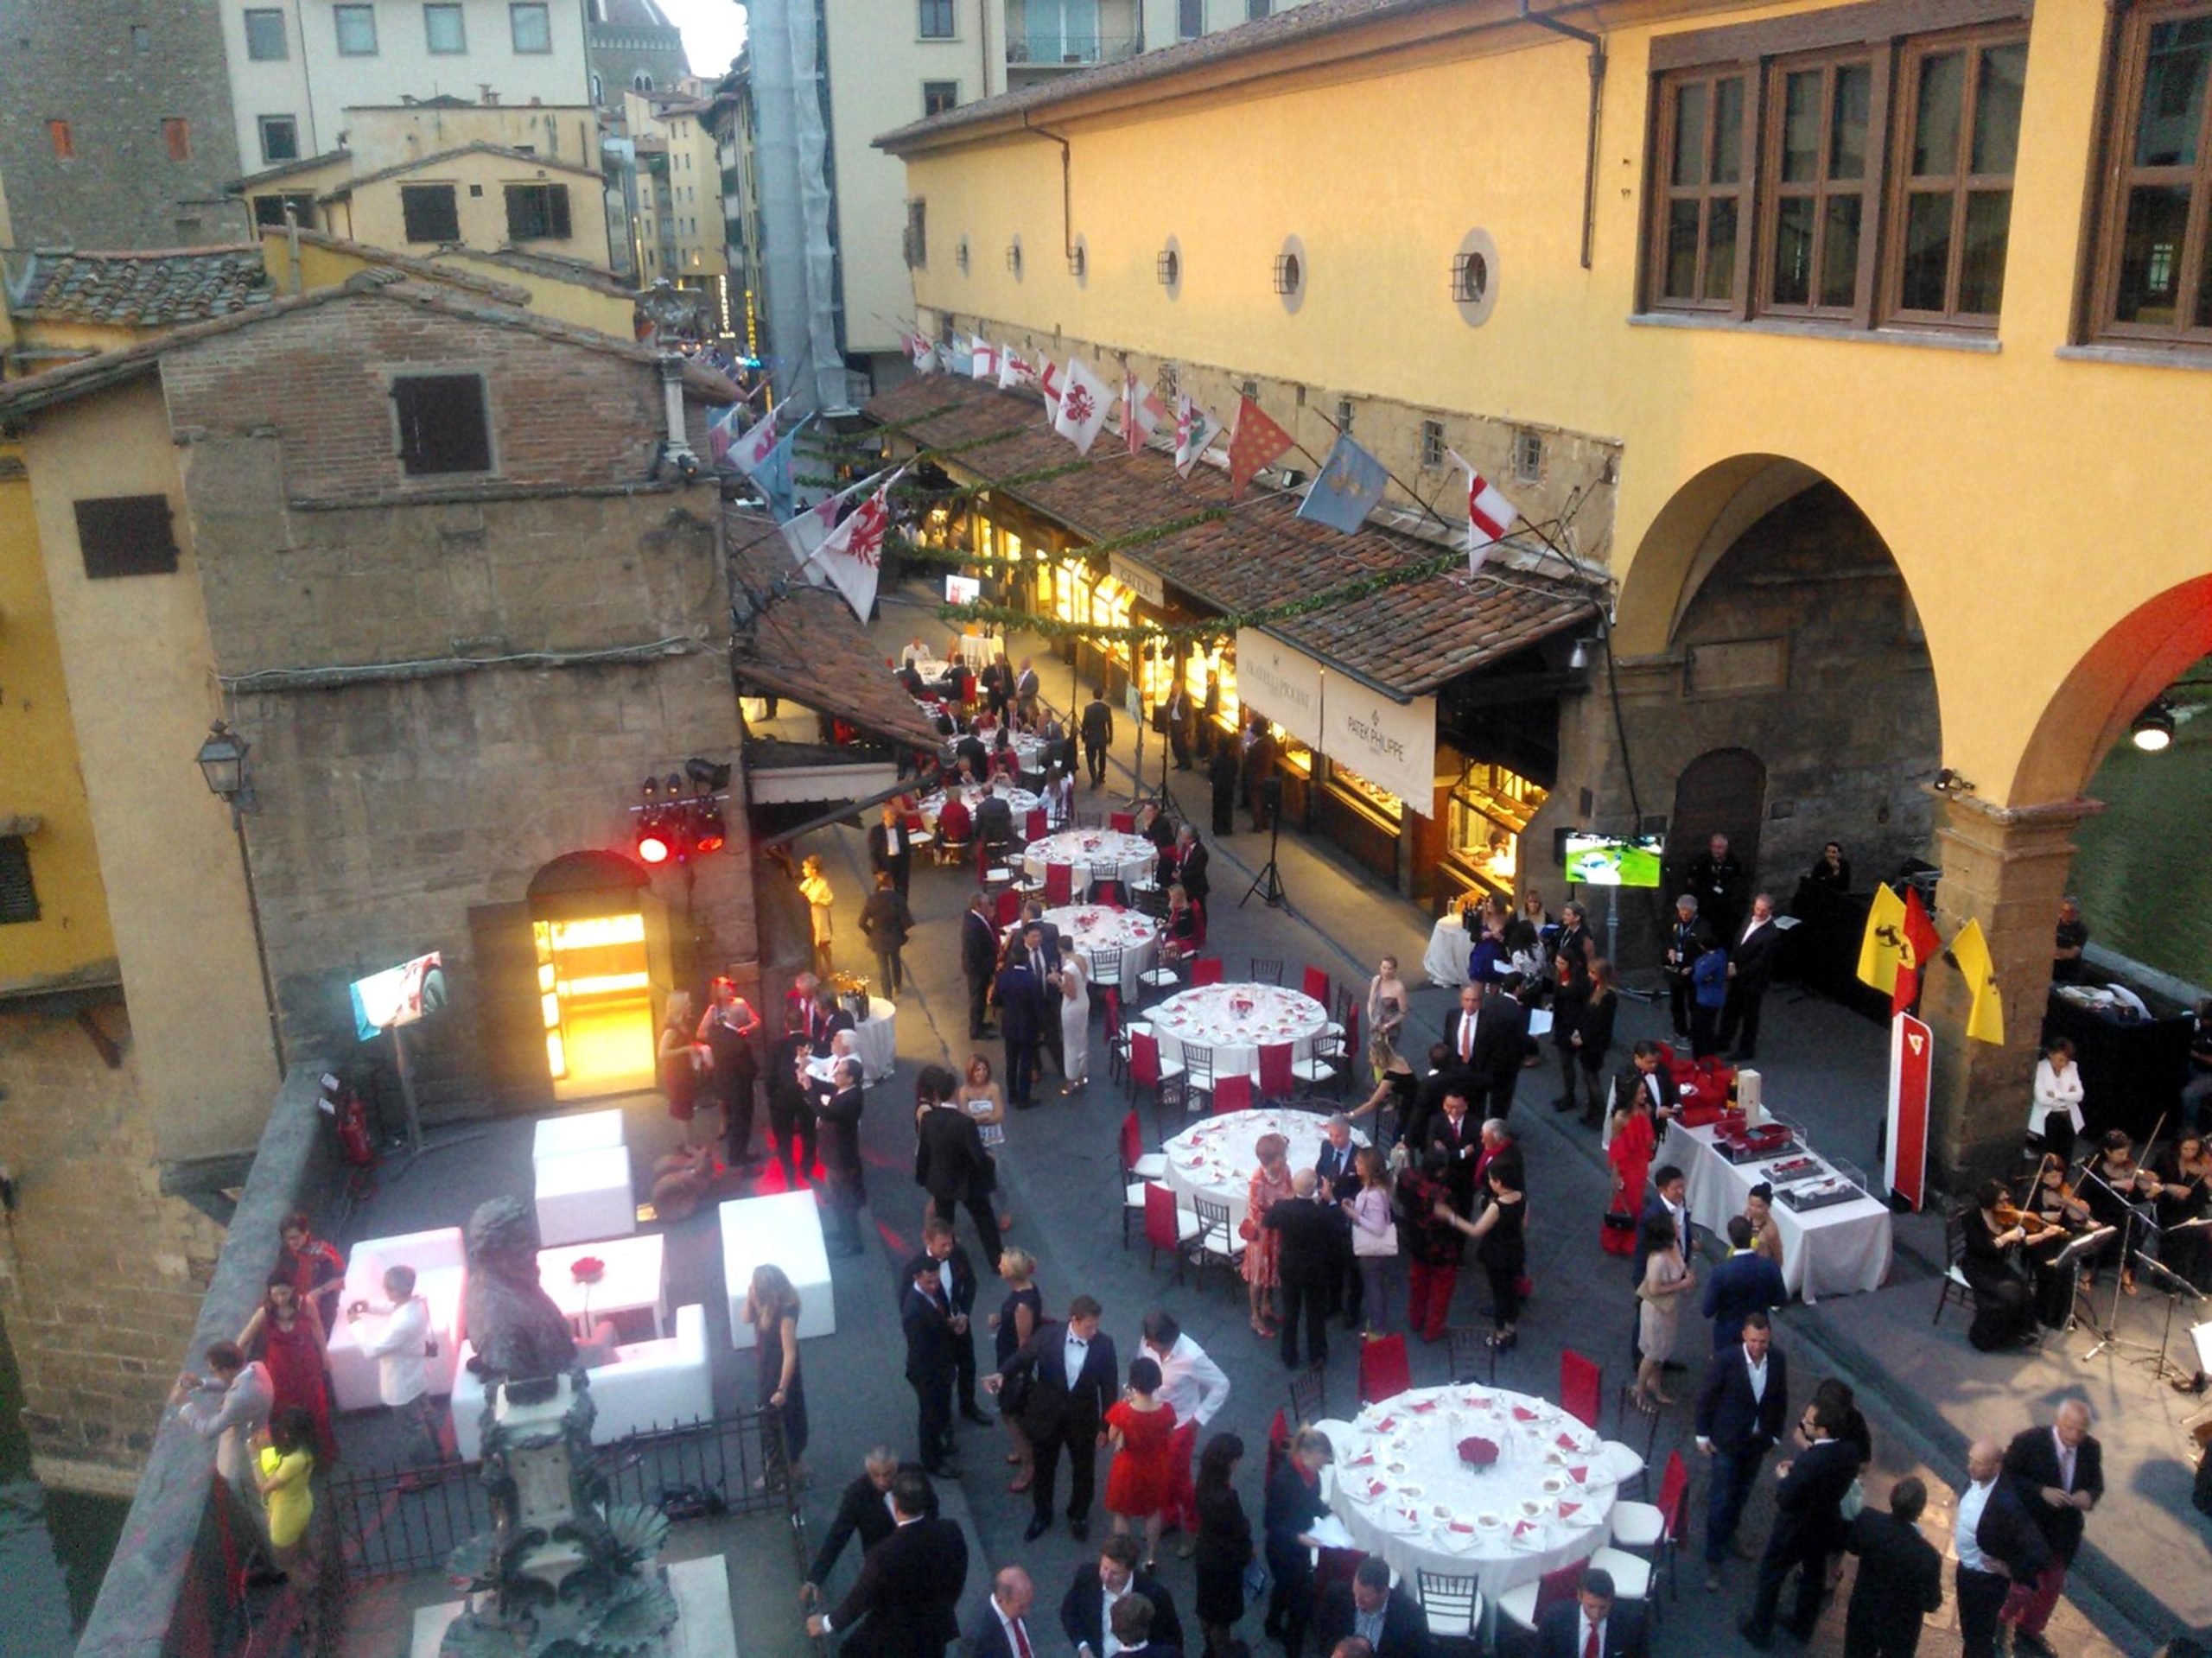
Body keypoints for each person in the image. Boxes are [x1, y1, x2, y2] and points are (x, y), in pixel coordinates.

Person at [990, 1294, 1119, 1542]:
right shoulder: (1049, 1335)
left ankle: (1078, 1514)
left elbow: (1109, 1387)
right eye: (1089, 1326)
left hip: (1082, 1419)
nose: (1094, 1331)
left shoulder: (1105, 1345)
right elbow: (1023, 1356)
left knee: (1083, 1469)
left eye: (1096, 1326)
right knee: (1044, 1467)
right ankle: (1042, 1513)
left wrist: (1105, 1425)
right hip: (1047, 1413)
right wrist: (1002, 1374)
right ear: (1074, 1319)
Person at [1738, 1394, 1863, 1649]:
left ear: (1822, 1430)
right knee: (1814, 1575)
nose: (1803, 1423)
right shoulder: (1850, 1452)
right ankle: (1802, 1625)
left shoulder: (1811, 1461)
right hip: (1824, 1523)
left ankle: (1761, 1630)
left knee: (1772, 1573)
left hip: (1795, 1528)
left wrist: (1785, 1476)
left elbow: (1786, 1498)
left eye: (1807, 1421)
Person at [806, 1469, 969, 1658]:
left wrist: (826, 1623)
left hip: (895, 1633)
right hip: (935, 1627)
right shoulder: (950, 1530)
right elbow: (958, 1575)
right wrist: (944, 1605)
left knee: (850, 1652)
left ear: (896, 1506)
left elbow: (861, 1598)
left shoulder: (883, 1554)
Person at [2000, 1401, 2102, 1658]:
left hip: (2061, 1534)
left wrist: (2087, 1497)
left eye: (2081, 1431)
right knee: (2020, 1587)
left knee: (2052, 1585)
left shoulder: (2090, 1449)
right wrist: (2040, 1492)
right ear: (2058, 1423)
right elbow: (2007, 1477)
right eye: (2070, 1428)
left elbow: (2095, 1484)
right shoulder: (2029, 1442)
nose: (2074, 1436)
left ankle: (2029, 1630)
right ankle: (2000, 1623)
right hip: (2029, 1529)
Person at [1696, 1312, 1790, 1590]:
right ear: (1743, 1337)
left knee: (1742, 1493)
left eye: (1762, 1341)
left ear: (1769, 1337)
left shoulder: (1778, 1360)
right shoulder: (1727, 1360)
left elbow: (1780, 1398)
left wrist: (1774, 1435)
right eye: (1753, 1341)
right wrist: (1702, 1434)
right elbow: (1706, 1397)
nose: (1758, 1347)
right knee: (1721, 1499)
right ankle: (1714, 1558)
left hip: (1756, 1443)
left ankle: (1732, 1532)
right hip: (1727, 1442)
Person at [1139, 1308, 1230, 1553]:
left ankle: (1193, 1526)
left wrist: (1197, 1419)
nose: (1147, 1344)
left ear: (1167, 1340)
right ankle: (1168, 1517)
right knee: (1161, 1475)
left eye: (1152, 1342)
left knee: (1179, 1481)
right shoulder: (1148, 1343)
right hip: (1154, 1419)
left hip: (1179, 1426)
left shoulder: (1192, 1357)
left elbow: (1221, 1385)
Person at [1953, 1438, 2051, 1658]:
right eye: (1970, 1460)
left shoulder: (2008, 1504)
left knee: (1979, 1639)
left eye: (1978, 1463)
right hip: (1966, 1571)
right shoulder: (1971, 1481)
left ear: (1996, 1467)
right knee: (1970, 1633)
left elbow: (2039, 1552)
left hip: (1986, 1581)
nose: (1970, 1466)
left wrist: (2011, 1570)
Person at [346, 1264, 444, 1468]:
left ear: (396, 1290)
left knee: (412, 1430)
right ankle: (439, 1454)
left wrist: (355, 1323)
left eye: (387, 1288)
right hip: (415, 1375)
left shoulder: (403, 1322)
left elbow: (371, 1350)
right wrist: (370, 1307)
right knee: (425, 1417)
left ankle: (427, 1472)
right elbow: (397, 1307)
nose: (385, 1291)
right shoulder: (417, 1304)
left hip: (401, 1384)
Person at [238, 1273, 335, 1467]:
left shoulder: (306, 1304)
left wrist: (325, 1355)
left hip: (307, 1366)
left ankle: (321, 1454)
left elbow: (317, 1329)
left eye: (284, 1293)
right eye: (275, 1295)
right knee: (281, 1411)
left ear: (292, 1290)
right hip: (280, 1371)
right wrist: (235, 1366)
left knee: (316, 1407)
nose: (280, 1299)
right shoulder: (265, 1312)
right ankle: (290, 1455)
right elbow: (244, 1339)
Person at [1843, 1477, 1944, 1658]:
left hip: (1864, 1610)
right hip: (1901, 1627)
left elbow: (1852, 1546)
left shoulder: (1868, 1520)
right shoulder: (1927, 1556)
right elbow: (1931, 1602)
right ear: (1920, 1509)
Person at [917, 1067, 1004, 1269]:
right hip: (968, 1182)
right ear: (954, 1093)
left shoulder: (929, 1119)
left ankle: (942, 1261)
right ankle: (996, 1261)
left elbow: (925, 1151)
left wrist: (924, 1177)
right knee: (984, 1220)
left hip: (942, 1180)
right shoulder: (964, 1123)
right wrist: (990, 1163)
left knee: (945, 1222)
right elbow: (977, 1156)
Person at [1265, 1169, 1352, 1372]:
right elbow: (1341, 1228)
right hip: (1316, 1269)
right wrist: (1331, 1200)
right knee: (1315, 1313)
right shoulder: (1322, 1213)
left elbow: (1267, 1221)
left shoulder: (1283, 1208)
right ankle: (1317, 1355)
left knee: (1291, 1311)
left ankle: (1289, 1354)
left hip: (1290, 1266)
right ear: (1316, 1189)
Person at [168, 1339, 274, 1506]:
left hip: (243, 1459)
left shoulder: (238, 1398)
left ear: (226, 1370)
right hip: (264, 1439)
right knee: (269, 1487)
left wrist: (184, 1405)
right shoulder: (256, 1368)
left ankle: (273, 1529)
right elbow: (234, 1383)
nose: (213, 1375)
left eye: (214, 1371)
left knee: (256, 1503)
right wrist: (201, 1383)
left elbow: (208, 1430)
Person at [1433, 1161, 1527, 1350]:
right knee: (1510, 1292)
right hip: (1515, 1251)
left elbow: (1475, 1230)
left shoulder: (1497, 1207)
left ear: (1499, 1182)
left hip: (1497, 1255)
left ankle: (1500, 1335)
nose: (1490, 1183)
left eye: (1492, 1179)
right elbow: (1523, 1225)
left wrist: (1451, 1217)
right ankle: (1511, 1329)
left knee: (1499, 1294)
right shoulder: (1522, 1197)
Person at [1262, 1426, 1332, 1658]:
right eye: (1321, 1461)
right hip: (1283, 1550)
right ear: (1307, 1453)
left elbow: (1313, 1504)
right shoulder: (1283, 1482)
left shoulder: (1312, 1476)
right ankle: (1293, 1650)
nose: (1323, 1467)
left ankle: (1271, 1625)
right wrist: (1299, 1537)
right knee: (1299, 1607)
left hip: (1298, 1548)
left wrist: (1328, 1513)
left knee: (1284, 1589)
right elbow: (1270, 1523)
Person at [1105, 1356, 1179, 1566]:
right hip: (1155, 1467)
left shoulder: (1123, 1410)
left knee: (1122, 1513)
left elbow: (1111, 1437)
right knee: (1153, 1512)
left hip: (1128, 1468)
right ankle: (1150, 1557)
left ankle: (1123, 1556)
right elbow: (1170, 1435)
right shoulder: (1166, 1411)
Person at [1061, 1536, 1186, 1658]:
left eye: (1115, 1573)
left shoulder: (1155, 1595)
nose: (1106, 1577)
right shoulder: (1087, 1578)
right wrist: (1083, 1647)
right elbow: (1069, 1612)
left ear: (1130, 1570)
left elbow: (1172, 1639)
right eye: (1104, 1568)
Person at [747, 1262, 808, 1489]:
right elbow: (746, 1317)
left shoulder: (786, 1312)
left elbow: (789, 1353)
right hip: (768, 1364)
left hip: (779, 1368)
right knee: (777, 1417)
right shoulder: (766, 1307)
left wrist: (782, 1387)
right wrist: (752, 1296)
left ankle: (781, 1469)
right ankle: (786, 1466)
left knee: (778, 1417)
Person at [1192, 1433, 1253, 1658]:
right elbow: (1238, 1530)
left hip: (1206, 1554)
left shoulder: (1204, 1482)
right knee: (1221, 1615)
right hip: (1223, 1563)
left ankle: (1211, 1646)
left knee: (1208, 1608)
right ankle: (1220, 1650)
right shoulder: (1227, 1497)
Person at [1957, 1178, 2036, 1350]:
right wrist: (2006, 1237)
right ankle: (1987, 1338)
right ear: (1989, 1201)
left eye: (2007, 1199)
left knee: (2024, 1289)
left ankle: (2018, 1332)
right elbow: (1984, 1248)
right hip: (1977, 1266)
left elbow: (2023, 1240)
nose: (2007, 1204)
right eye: (2002, 1200)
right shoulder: (1972, 1219)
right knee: (2007, 1296)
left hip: (1997, 1266)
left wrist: (2044, 1234)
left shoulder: (2005, 1217)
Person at [903, 1254, 963, 1477]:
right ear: (917, 1277)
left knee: (940, 1411)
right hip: (929, 1373)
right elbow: (921, 1351)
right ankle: (932, 1461)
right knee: (930, 1416)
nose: (934, 1286)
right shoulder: (914, 1311)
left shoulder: (926, 1298)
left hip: (940, 1367)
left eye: (937, 1281)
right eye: (929, 1282)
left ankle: (940, 1447)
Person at [1397, 1147, 1465, 1344]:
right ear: (1441, 1171)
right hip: (1440, 1247)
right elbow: (1451, 1222)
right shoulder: (1443, 1195)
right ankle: (1433, 1329)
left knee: (1418, 1281)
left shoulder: (1407, 1178)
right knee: (1441, 1290)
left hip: (1416, 1241)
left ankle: (1416, 1318)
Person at [992, 1248, 1046, 1494]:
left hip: (1013, 1367)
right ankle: (1024, 1452)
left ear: (1012, 1272)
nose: (999, 1266)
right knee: (1016, 1412)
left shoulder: (1022, 1305)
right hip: (1012, 1362)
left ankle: (1028, 1465)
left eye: (1003, 1264)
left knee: (1011, 1415)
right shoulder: (1027, 1290)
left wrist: (1008, 1372)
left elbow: (1023, 1343)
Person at [699, 976, 763, 1168]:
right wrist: (721, 1038)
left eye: (730, 988)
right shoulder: (714, 1011)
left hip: (740, 1057)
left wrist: (744, 1030)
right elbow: (701, 1033)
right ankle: (736, 1154)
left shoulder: (741, 1004)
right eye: (725, 989)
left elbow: (756, 1021)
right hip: (728, 1066)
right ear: (717, 992)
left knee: (742, 1111)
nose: (729, 991)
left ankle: (739, 1152)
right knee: (737, 1111)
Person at [1632, 1213, 1695, 1410]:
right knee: (1653, 1352)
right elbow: (1654, 1289)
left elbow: (1682, 1267)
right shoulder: (1658, 1259)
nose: (1678, 1225)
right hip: (1655, 1312)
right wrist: (1682, 1284)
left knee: (1663, 1348)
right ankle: (1639, 1389)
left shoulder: (1673, 1245)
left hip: (1668, 1309)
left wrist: (1686, 1277)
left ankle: (1655, 1383)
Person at [1314, 1554, 1430, 1658]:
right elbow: (1323, 1641)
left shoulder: (1410, 1615)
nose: (1357, 1602)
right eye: (1355, 1593)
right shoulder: (1337, 1597)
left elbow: (1418, 1653)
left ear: (1384, 1592)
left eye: (1365, 1597)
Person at [1703, 1217, 1787, 1353]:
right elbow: (1780, 1299)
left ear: (1731, 1238)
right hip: (1759, 1332)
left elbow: (1707, 1310)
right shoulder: (1770, 1267)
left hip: (1728, 1336)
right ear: (1752, 1235)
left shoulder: (1721, 1272)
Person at [810, 1057, 868, 1255]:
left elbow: (826, 1114)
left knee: (844, 1201)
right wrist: (809, 1081)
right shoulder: (844, 1090)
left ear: (851, 1078)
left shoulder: (850, 1100)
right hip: (834, 1155)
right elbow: (827, 1086)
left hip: (840, 1158)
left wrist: (810, 1092)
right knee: (837, 1198)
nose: (835, 1074)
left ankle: (852, 1243)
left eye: (840, 1072)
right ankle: (844, 1232)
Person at [252, 1406, 318, 1574]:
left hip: (287, 1514)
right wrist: (267, 1450)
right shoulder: (306, 1450)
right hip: (301, 1504)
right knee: (304, 1553)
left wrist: (255, 1456)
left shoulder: (294, 1460)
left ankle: (310, 1593)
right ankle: (320, 1580)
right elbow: (278, 1473)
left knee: (290, 1565)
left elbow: (265, 1487)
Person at [1243, 1134, 1295, 1338]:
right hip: (1262, 1237)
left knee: (1272, 1272)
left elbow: (1290, 1192)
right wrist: (1282, 1206)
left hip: (1277, 1233)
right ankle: (1255, 1315)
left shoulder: (1286, 1171)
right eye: (1282, 1156)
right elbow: (1257, 1215)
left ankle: (1266, 1305)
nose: (1286, 1160)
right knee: (1257, 1277)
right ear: (1270, 1161)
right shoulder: (1258, 1181)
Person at [1719, 894, 1782, 1061]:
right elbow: (1738, 941)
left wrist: (1737, 972)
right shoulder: (1749, 919)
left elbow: (1761, 962)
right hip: (1737, 974)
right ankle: (1723, 1040)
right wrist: (1731, 961)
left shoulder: (1772, 934)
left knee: (1749, 1017)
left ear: (1770, 910)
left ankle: (1746, 1049)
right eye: (1757, 908)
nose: (1759, 912)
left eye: (1764, 910)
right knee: (1730, 1010)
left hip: (1753, 982)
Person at [1344, 1148, 1398, 1335]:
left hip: (1371, 1252)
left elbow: (1378, 1227)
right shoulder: (1378, 1189)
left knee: (1373, 1290)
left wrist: (1354, 1215)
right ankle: (1378, 1326)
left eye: (1359, 1162)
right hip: (1378, 1253)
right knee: (1378, 1288)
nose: (1355, 1165)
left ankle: (1377, 1330)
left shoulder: (1373, 1194)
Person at [1535, 1566, 1647, 1658]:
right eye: (1591, 1607)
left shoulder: (1629, 1623)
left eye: (1603, 1608)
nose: (1596, 1614)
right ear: (1579, 1596)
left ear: (1612, 1601)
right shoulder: (1555, 1618)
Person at [1605, 1073, 1658, 1250]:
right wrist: (1616, 1173)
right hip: (1626, 1168)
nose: (1644, 1096)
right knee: (1623, 1203)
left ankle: (1630, 1239)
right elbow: (1615, 1147)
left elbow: (1648, 1136)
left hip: (1640, 1165)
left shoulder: (1646, 1110)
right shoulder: (1620, 1117)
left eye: (1645, 1092)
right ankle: (1617, 1238)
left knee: (1635, 1203)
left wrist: (1651, 1145)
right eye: (1641, 1093)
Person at [766, 1004, 817, 1186]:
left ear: (786, 1024)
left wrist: (772, 1096)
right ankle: (807, 1167)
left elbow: (770, 1074)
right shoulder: (812, 1043)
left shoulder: (776, 1046)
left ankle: (789, 1173)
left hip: (783, 1097)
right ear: (804, 1023)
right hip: (806, 1095)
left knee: (784, 1137)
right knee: (809, 1132)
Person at [993, 941, 1047, 1109]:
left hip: (1009, 1025)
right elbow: (1038, 1008)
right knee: (1025, 1063)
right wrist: (1041, 1029)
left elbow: (996, 1000)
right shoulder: (1032, 980)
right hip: (1028, 1028)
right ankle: (1024, 1098)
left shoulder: (1004, 976)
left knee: (1011, 1062)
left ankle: (1011, 1094)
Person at [1550, 902, 1593, 1108]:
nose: (1564, 916)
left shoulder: (1584, 939)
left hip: (1575, 1023)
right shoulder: (1563, 930)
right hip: (1563, 1023)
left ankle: (1593, 1103)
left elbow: (1585, 1007)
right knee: (1565, 1064)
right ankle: (1569, 1095)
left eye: (1568, 914)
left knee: (1586, 1068)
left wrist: (1579, 1029)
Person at [276, 1214, 346, 1337]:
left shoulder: (323, 1255)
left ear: (306, 1233)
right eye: (288, 1239)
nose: (292, 1242)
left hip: (326, 1306)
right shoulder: (287, 1256)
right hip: (298, 1306)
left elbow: (339, 1279)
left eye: (296, 1237)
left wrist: (317, 1292)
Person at [1573, 958, 1620, 1121]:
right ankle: (1593, 1111)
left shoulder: (1608, 997)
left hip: (1595, 1043)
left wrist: (1583, 1038)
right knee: (1589, 1076)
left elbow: (1600, 1024)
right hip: (1589, 1039)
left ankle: (1600, 1112)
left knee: (1590, 1076)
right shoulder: (1596, 989)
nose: (1589, 975)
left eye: (1593, 972)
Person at [1662, 894, 1714, 1041]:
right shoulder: (1675, 921)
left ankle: (1694, 1034)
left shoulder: (1703, 927)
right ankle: (1679, 1030)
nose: (1684, 916)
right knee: (1676, 1003)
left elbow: (1708, 951)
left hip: (1693, 970)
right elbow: (1668, 939)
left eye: (1688, 914)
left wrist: (1693, 966)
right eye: (1681, 913)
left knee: (1693, 1004)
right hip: (1676, 968)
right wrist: (1671, 949)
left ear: (1695, 912)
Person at [859, 871, 916, 998]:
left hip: (878, 937)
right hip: (894, 936)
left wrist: (871, 933)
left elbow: (861, 922)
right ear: (891, 883)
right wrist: (900, 930)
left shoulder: (872, 900)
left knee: (883, 967)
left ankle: (887, 996)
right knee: (895, 960)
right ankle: (898, 985)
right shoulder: (898, 899)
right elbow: (908, 921)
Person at [2028, 1039, 2085, 1166]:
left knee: (2066, 1153)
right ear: (2050, 1054)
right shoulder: (2040, 1068)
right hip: (2048, 1117)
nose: (2063, 1064)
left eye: (2066, 1060)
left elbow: (2079, 1095)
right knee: (2049, 1155)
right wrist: (2068, 1096)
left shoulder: (2072, 1067)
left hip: (2067, 1115)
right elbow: (2042, 1098)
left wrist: (2056, 1094)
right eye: (2060, 1059)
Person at [971, 1565, 1039, 1658]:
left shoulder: (1015, 1604)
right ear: (1001, 1600)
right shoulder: (979, 1634)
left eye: (1029, 1604)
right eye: (1021, 1607)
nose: (1026, 1612)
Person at [1689, 832, 1745, 942]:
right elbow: (1692, 880)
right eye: (1714, 847)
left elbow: (1737, 883)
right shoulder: (1702, 860)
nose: (1716, 850)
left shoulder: (1733, 862)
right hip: (1705, 904)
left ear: (1726, 848)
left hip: (1724, 906)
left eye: (1719, 847)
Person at [1053, 941, 1092, 1095]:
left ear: (1060, 949)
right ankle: (1083, 1074)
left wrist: (1056, 981)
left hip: (1072, 1007)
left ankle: (1071, 1080)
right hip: (1084, 1001)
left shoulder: (1068, 969)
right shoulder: (1081, 959)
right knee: (1082, 1038)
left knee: (1070, 1043)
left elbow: (1070, 993)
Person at [962, 891, 1001, 1040]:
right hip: (977, 970)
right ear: (978, 906)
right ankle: (976, 1029)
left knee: (981, 997)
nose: (989, 906)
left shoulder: (975, 918)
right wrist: (988, 969)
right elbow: (975, 952)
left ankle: (980, 1023)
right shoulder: (973, 926)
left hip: (979, 968)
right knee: (977, 999)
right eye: (986, 904)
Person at [1689, 939, 1728, 1061]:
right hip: (1716, 998)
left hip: (1706, 1000)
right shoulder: (1721, 955)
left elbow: (1697, 977)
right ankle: (1709, 1054)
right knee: (1709, 1027)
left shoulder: (1711, 960)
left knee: (1700, 1029)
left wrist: (1698, 964)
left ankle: (1701, 1057)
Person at [799, 855, 836, 975]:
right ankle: (818, 970)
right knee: (814, 945)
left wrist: (817, 901)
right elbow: (800, 894)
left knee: (823, 944)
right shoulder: (807, 884)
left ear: (813, 870)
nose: (803, 870)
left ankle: (830, 968)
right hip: (809, 916)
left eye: (806, 868)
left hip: (820, 915)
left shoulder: (822, 884)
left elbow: (829, 900)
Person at [869, 804, 915, 899]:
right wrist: (877, 870)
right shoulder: (876, 831)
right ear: (885, 816)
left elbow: (906, 845)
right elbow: (873, 852)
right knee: (884, 889)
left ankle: (902, 909)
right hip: (886, 862)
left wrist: (908, 862)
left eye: (895, 815)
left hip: (900, 860)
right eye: (892, 815)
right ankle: (881, 907)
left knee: (902, 888)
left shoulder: (901, 826)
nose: (894, 818)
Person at [1082, 686, 1116, 787]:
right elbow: (1109, 724)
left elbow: (1085, 724)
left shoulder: (1088, 709)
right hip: (1102, 737)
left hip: (1091, 737)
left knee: (1090, 758)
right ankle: (1101, 776)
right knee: (1102, 757)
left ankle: (1093, 777)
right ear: (1102, 696)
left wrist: (1083, 736)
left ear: (1093, 696)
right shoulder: (1106, 708)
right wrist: (1110, 737)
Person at [1161, 883, 1202, 965]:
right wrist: (1159, 921)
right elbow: (1163, 917)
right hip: (1169, 935)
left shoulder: (1187, 912)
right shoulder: (1170, 907)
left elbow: (1186, 930)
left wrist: (1172, 926)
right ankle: (1165, 965)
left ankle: (1167, 967)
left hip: (1183, 939)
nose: (1171, 899)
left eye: (1172, 897)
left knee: (1168, 948)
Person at [2051, 898, 2088, 984]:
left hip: (2066, 972)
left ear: (2075, 913)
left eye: (2068, 912)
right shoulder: (2055, 923)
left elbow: (2071, 954)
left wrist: (2051, 951)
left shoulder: (2081, 930)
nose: (2064, 914)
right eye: (2063, 910)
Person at [1208, 736, 1239, 837]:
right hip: (1229, 786)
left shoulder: (1216, 759)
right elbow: (1235, 770)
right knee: (1227, 807)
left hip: (1219, 786)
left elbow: (1212, 772)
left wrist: (1212, 781)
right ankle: (1227, 828)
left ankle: (1217, 829)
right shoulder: (1233, 758)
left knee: (1217, 808)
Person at [1174, 826, 1211, 911]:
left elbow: (1196, 871)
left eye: (1182, 836)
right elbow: (1182, 861)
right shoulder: (1185, 846)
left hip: (1196, 887)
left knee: (1199, 909)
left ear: (1190, 839)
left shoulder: (1200, 853)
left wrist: (1180, 876)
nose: (1180, 838)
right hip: (1186, 884)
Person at [1165, 677, 1194, 771]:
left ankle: (1186, 764)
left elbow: (1190, 712)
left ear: (1179, 687)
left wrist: (1189, 727)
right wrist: (1170, 703)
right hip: (1174, 722)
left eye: (1174, 688)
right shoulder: (1172, 695)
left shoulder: (1186, 697)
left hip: (1182, 724)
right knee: (1174, 744)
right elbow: (1167, 704)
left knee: (1182, 745)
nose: (1172, 690)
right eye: (1172, 688)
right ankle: (1180, 762)